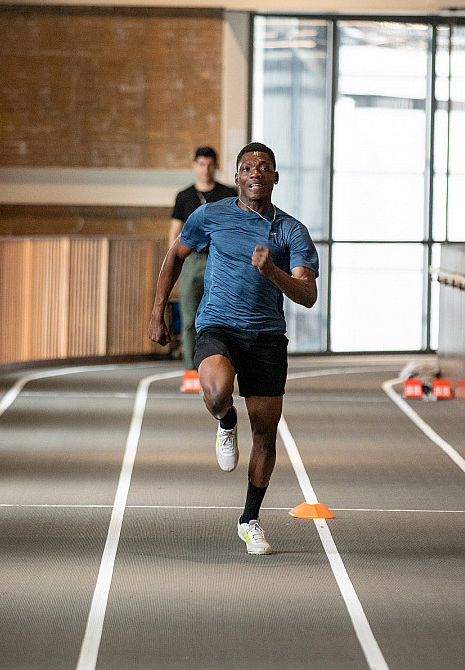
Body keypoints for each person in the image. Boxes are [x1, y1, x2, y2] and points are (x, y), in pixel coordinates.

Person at [147, 142, 319, 555]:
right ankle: (225, 421)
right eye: (248, 168)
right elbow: (175, 255)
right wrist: (158, 313)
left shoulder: (291, 231)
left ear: (275, 177)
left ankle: (250, 520)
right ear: (237, 177)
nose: (256, 173)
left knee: (265, 434)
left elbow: (308, 294)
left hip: (266, 337)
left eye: (264, 168)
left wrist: (272, 271)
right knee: (218, 391)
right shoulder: (211, 215)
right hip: (218, 325)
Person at [169, 147, 238, 370]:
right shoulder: (184, 196)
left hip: (220, 261)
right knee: (189, 318)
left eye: (210, 165)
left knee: (223, 318)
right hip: (191, 261)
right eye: (201, 164)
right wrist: (173, 263)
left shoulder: (229, 194)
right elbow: (174, 232)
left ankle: (222, 368)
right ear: (194, 166)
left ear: (216, 166)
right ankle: (191, 370)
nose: (206, 170)